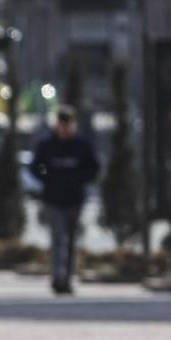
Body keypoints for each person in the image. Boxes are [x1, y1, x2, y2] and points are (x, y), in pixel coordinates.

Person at [30, 106, 101, 295]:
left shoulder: (81, 146)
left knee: (71, 241)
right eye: (62, 125)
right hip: (53, 199)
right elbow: (36, 167)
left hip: (75, 199)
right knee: (57, 239)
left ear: (73, 125)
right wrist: (49, 177)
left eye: (68, 125)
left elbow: (93, 168)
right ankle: (57, 277)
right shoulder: (47, 145)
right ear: (57, 125)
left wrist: (79, 178)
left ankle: (68, 278)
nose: (65, 129)